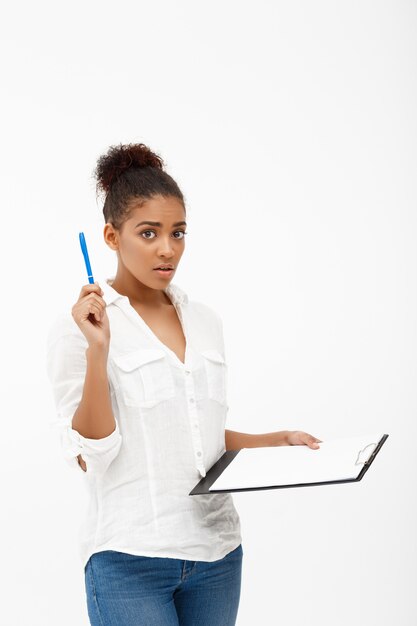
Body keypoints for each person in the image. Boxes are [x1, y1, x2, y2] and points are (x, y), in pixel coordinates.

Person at [46, 142, 322, 626]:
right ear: (112, 236)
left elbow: (196, 433)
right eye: (148, 233)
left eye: (178, 233)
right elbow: (93, 455)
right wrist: (98, 352)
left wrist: (277, 441)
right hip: (130, 559)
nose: (167, 248)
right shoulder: (80, 327)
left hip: (217, 555)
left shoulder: (206, 321)